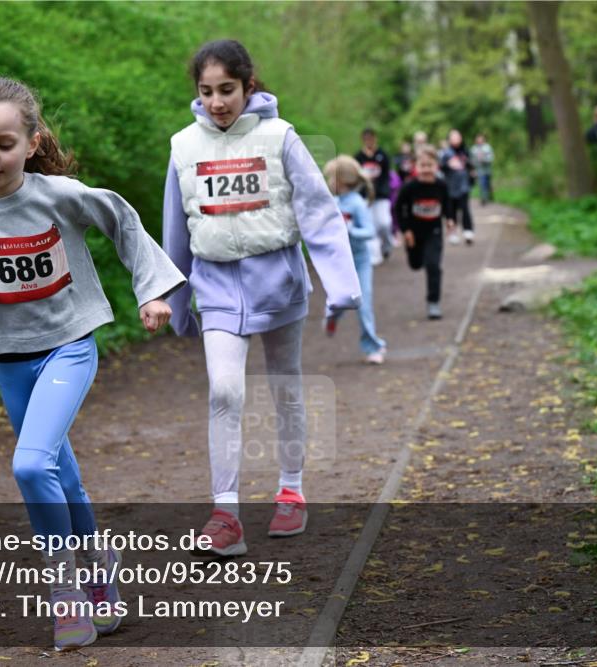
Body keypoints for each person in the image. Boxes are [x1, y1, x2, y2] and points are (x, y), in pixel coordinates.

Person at [0, 76, 184, 649]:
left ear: (31, 142)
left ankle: (66, 589)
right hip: (9, 357)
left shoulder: (59, 195)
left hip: (69, 345)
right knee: (61, 476)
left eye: (4, 143)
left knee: (29, 466)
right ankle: (102, 567)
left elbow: (123, 220)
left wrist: (152, 291)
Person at [162, 40, 360, 557]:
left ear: (249, 86)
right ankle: (226, 513)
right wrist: (175, 299)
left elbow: (317, 211)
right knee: (224, 391)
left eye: (226, 89)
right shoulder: (184, 146)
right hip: (216, 285)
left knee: (285, 387)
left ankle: (291, 488)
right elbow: (176, 230)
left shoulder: (280, 138)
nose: (216, 102)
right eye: (206, 92)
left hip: (279, 282)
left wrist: (342, 285)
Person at [323, 156, 387, 364]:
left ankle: (373, 347)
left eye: (331, 177)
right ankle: (332, 317)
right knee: (340, 301)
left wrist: (351, 230)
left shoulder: (358, 204)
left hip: (360, 261)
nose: (329, 181)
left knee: (363, 304)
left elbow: (369, 231)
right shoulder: (332, 201)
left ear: (341, 181)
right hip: (339, 261)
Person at [394, 145, 455, 321]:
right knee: (415, 264)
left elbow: (447, 204)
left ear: (436, 166)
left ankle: (433, 302)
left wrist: (449, 219)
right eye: (423, 165)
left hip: (434, 231)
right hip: (413, 232)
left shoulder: (441, 185)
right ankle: (414, 253)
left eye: (430, 165)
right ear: (416, 166)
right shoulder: (410, 187)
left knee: (433, 265)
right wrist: (405, 230)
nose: (427, 169)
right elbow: (399, 208)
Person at [355, 128, 394, 263]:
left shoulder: (382, 155)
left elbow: (386, 175)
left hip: (381, 196)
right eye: (366, 139)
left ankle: (387, 244)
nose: (369, 141)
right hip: (366, 197)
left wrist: (382, 190)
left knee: (384, 223)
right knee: (371, 225)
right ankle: (375, 254)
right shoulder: (358, 157)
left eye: (371, 138)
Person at [439, 129, 475, 245]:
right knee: (451, 210)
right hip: (450, 186)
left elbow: (471, 167)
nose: (455, 139)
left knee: (465, 209)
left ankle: (468, 231)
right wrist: (448, 165)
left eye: (457, 137)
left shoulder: (465, 151)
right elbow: (441, 167)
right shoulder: (446, 153)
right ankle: (453, 232)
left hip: (463, 186)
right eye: (453, 137)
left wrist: (471, 177)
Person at [470, 133, 495, 205]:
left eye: (480, 139)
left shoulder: (487, 147)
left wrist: (484, 159)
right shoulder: (473, 149)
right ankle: (483, 199)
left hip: (487, 169)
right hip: (479, 170)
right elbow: (471, 159)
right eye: (478, 139)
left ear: (483, 139)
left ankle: (489, 196)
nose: (479, 140)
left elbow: (491, 158)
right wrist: (472, 169)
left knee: (487, 184)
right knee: (481, 184)